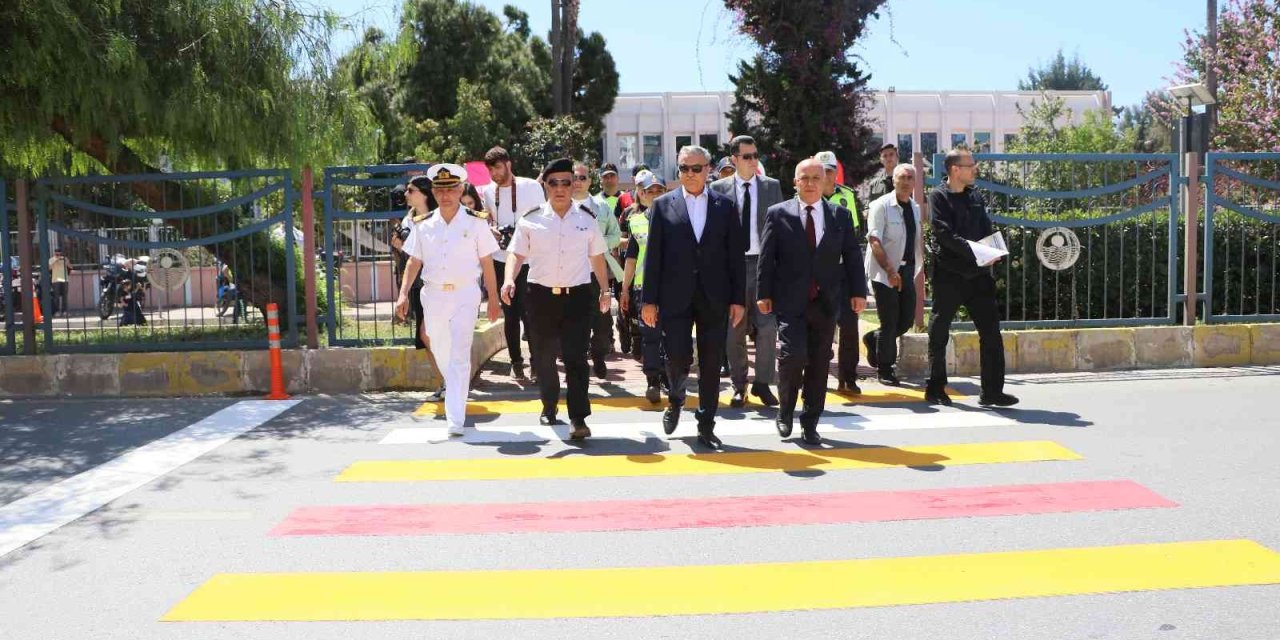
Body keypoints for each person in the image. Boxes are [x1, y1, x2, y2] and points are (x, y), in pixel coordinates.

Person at [641, 145, 746, 450]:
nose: (689, 174)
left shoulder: (725, 206)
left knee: (712, 362)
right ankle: (675, 398)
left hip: (715, 297)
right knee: (677, 357)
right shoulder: (662, 205)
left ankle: (706, 423)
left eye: (695, 168)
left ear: (708, 169)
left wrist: (738, 299)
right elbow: (654, 256)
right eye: (683, 169)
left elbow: (735, 258)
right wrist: (649, 300)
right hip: (674, 296)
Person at [757, 158, 867, 445]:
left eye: (815, 178)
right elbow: (767, 258)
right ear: (794, 182)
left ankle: (810, 421)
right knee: (792, 358)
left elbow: (853, 256)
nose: (809, 183)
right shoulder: (778, 214)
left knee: (819, 363)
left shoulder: (839, 215)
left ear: (825, 181)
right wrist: (763, 293)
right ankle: (785, 410)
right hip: (790, 301)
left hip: (826, 301)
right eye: (803, 178)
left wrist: (859, 292)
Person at [503, 158, 611, 440]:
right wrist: (508, 279)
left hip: (577, 296)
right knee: (544, 356)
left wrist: (604, 289)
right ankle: (549, 404)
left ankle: (578, 417)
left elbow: (597, 256)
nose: (561, 188)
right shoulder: (531, 218)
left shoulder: (586, 218)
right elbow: (516, 253)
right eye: (554, 183)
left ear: (574, 184)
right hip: (540, 297)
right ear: (545, 185)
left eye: (566, 182)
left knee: (576, 357)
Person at [396, 166, 502, 436]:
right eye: (440, 190)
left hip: (465, 293)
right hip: (433, 295)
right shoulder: (424, 224)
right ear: (434, 192)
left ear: (459, 191)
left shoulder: (476, 222)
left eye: (450, 189)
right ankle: (453, 383)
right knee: (439, 344)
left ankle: (455, 417)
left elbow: (487, 263)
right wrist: (402, 294)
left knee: (459, 353)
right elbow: (414, 261)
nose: (445, 195)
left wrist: (493, 299)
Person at [926, 149, 1018, 408]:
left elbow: (985, 228)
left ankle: (992, 392)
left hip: (978, 275)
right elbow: (944, 235)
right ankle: (935, 387)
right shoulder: (938, 197)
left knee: (991, 333)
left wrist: (993, 251)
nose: (974, 169)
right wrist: (978, 252)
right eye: (970, 165)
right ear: (955, 169)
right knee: (939, 331)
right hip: (949, 275)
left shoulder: (974, 195)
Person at [710, 135, 782, 408]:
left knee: (767, 328)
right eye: (747, 156)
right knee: (733, 330)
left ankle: (763, 383)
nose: (753, 161)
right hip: (732, 268)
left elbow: (781, 228)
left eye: (755, 155)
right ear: (734, 159)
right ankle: (738, 386)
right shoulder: (717, 188)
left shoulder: (771, 187)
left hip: (764, 266)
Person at [480, 146, 547, 379]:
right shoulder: (488, 192)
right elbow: (487, 220)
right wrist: (493, 230)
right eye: (490, 170)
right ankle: (516, 362)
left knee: (531, 314)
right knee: (510, 314)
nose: (494, 174)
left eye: (498, 168)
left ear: (508, 164)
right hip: (502, 258)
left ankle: (536, 363)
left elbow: (542, 216)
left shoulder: (531, 186)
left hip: (529, 259)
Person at [863, 164, 924, 386]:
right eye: (901, 177)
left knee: (906, 320)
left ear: (914, 183)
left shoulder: (915, 207)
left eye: (910, 178)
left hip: (908, 269)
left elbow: (917, 238)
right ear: (894, 181)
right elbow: (874, 240)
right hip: (883, 271)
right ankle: (885, 369)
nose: (906, 181)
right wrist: (890, 270)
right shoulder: (880, 206)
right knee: (889, 322)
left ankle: (874, 338)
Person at [814, 150, 865, 393]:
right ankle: (816, 375)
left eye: (830, 170)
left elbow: (853, 240)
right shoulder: (804, 197)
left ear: (836, 173)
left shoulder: (847, 197)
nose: (826, 175)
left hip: (842, 272)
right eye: (822, 170)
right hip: (815, 274)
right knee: (816, 326)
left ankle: (848, 376)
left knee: (849, 327)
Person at [620, 170, 669, 403]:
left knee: (670, 336)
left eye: (660, 190)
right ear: (643, 194)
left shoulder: (676, 218)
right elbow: (631, 258)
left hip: (671, 287)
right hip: (643, 287)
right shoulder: (636, 221)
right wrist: (625, 289)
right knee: (650, 336)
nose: (656, 194)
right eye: (651, 191)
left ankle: (668, 376)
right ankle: (653, 381)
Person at [574, 161, 623, 378]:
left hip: (597, 272)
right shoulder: (559, 206)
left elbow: (615, 234)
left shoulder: (602, 207)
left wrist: (597, 244)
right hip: (570, 274)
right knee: (574, 322)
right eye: (573, 177)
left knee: (603, 323)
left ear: (590, 181)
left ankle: (598, 354)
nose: (577, 182)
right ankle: (576, 365)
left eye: (582, 178)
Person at [48, 249, 69, 317]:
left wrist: (66, 261)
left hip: (65, 279)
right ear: (54, 253)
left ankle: (64, 311)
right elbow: (49, 268)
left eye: (59, 253)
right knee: (56, 296)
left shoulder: (64, 259)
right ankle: (57, 311)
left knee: (65, 296)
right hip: (55, 280)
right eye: (57, 253)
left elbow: (70, 266)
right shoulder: (51, 259)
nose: (58, 255)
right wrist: (56, 260)